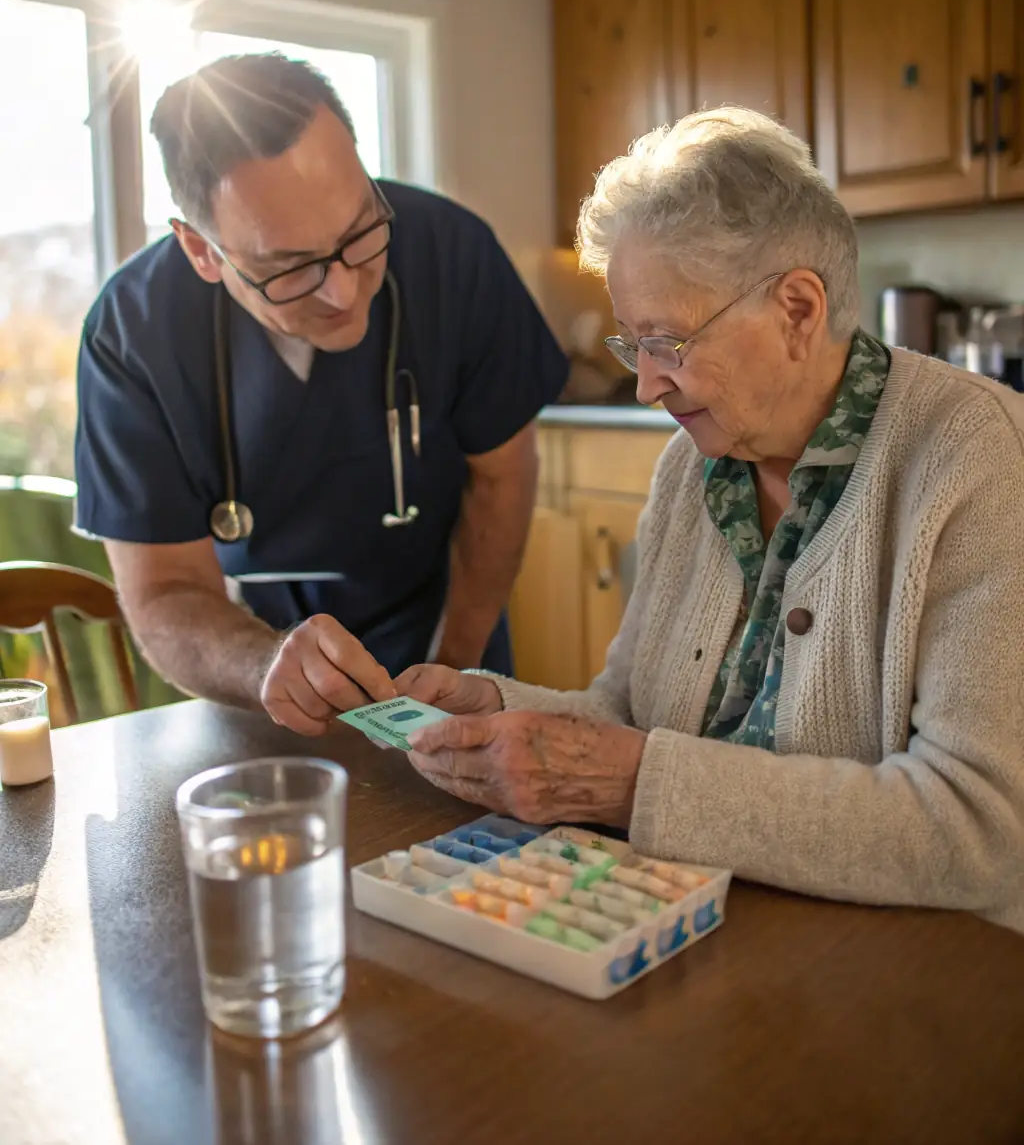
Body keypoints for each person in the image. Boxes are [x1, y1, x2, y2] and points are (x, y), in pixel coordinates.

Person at [396, 107, 1024, 933]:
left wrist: (632, 785)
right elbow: (628, 709)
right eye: (633, 346)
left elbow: (976, 829)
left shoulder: (978, 456)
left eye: (667, 342)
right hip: (696, 929)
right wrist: (493, 706)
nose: (645, 386)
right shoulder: (692, 466)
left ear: (798, 310)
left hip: (906, 975)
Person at [75, 53, 567, 734]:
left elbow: (502, 482)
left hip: (446, 632)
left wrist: (451, 670)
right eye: (290, 268)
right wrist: (265, 664)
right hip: (252, 669)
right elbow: (163, 590)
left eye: (360, 232)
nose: (344, 291)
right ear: (201, 251)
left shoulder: (455, 255)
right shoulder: (132, 333)